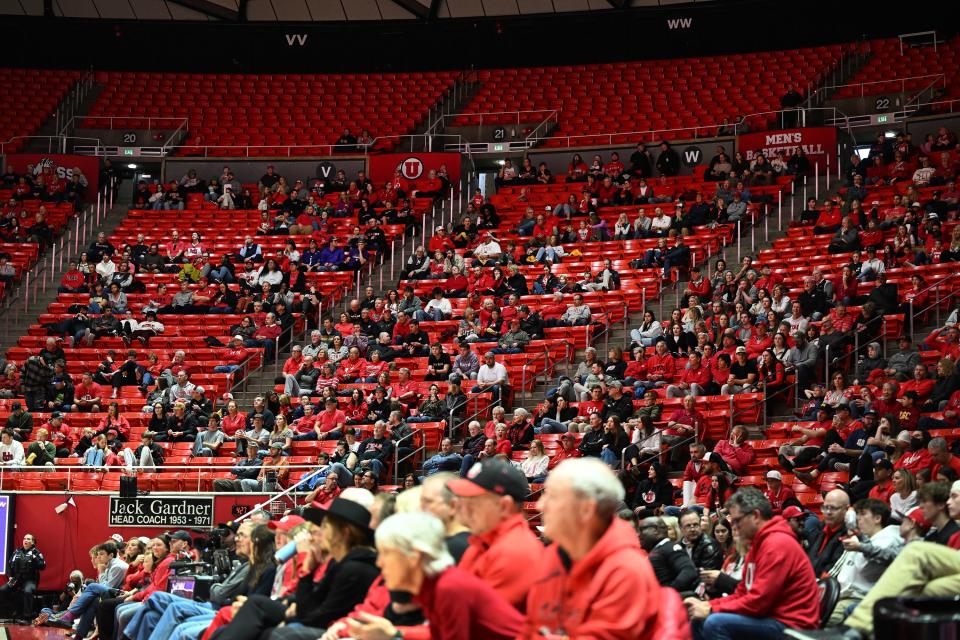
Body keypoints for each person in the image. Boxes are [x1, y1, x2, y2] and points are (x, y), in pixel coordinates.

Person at [520, 458, 660, 639]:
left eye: (553, 497)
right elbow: (530, 626)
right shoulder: (553, 555)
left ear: (586, 510)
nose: (541, 505)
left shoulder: (627, 571)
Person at [218, 495, 379, 640]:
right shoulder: (338, 563)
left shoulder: (354, 568)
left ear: (344, 533)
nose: (320, 533)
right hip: (312, 619)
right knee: (249, 612)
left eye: (325, 527)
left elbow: (317, 615)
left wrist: (305, 571)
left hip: (333, 629)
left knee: (268, 622)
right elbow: (308, 603)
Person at [345, 512, 524, 640]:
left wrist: (394, 636)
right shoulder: (429, 586)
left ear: (414, 557)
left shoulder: (449, 587)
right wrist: (394, 634)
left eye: (386, 553)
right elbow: (436, 633)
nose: (379, 562)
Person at [685, 488, 821, 640]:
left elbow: (759, 603)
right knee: (698, 620)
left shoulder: (776, 544)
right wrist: (707, 605)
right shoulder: (758, 545)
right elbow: (742, 593)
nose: (733, 526)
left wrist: (711, 608)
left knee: (715, 623)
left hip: (791, 624)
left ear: (756, 516)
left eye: (737, 520)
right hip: (772, 615)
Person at [447, 459, 543, 610]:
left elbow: (474, 624)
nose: (462, 508)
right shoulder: (482, 542)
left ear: (504, 506)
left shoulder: (515, 552)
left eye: (473, 500)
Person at [825, 498, 903, 627]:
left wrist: (860, 545)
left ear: (877, 518)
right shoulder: (861, 539)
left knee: (812, 618)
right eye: (858, 514)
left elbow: (867, 564)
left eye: (863, 514)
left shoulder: (889, 539)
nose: (858, 519)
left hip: (858, 599)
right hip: (841, 595)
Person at [639, 516, 699, 593]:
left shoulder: (670, 548)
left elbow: (689, 571)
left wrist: (669, 593)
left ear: (656, 530)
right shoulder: (660, 549)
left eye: (642, 530)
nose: (639, 535)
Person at [0, 533, 45, 622]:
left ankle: (27, 617)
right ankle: (15, 610)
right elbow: (9, 566)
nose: (25, 540)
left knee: (27, 591)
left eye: (28, 539)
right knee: (2, 590)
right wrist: (10, 577)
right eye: (24, 538)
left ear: (32, 542)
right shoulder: (17, 552)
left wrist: (34, 557)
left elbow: (42, 566)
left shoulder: (36, 552)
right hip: (16, 579)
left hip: (30, 580)